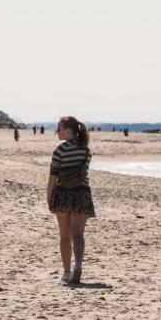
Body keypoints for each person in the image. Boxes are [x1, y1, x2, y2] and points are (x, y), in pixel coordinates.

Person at [47, 116, 95, 285]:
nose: (56, 132)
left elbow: (53, 177)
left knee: (64, 236)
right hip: (82, 193)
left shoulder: (59, 151)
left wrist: (49, 197)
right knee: (78, 234)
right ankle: (79, 264)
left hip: (63, 193)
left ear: (68, 131)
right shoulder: (86, 150)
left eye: (58, 129)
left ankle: (66, 272)